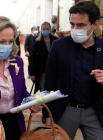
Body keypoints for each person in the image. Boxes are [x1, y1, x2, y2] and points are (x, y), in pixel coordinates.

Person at [44, 1, 103, 140]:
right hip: (66, 109)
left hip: (95, 111)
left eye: (81, 25)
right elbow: (49, 81)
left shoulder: (102, 47)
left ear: (94, 24)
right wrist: (47, 114)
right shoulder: (59, 46)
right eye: (72, 24)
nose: (75, 29)